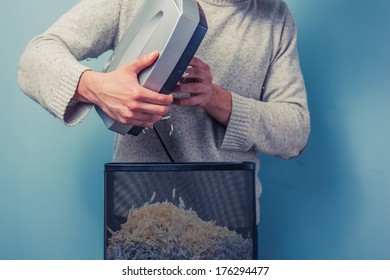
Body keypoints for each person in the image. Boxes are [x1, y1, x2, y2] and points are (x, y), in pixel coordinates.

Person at [17, 0, 310, 225]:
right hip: (139, 222)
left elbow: (294, 132)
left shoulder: (275, 17)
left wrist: (215, 98)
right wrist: (96, 87)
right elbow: (35, 58)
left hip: (228, 227)